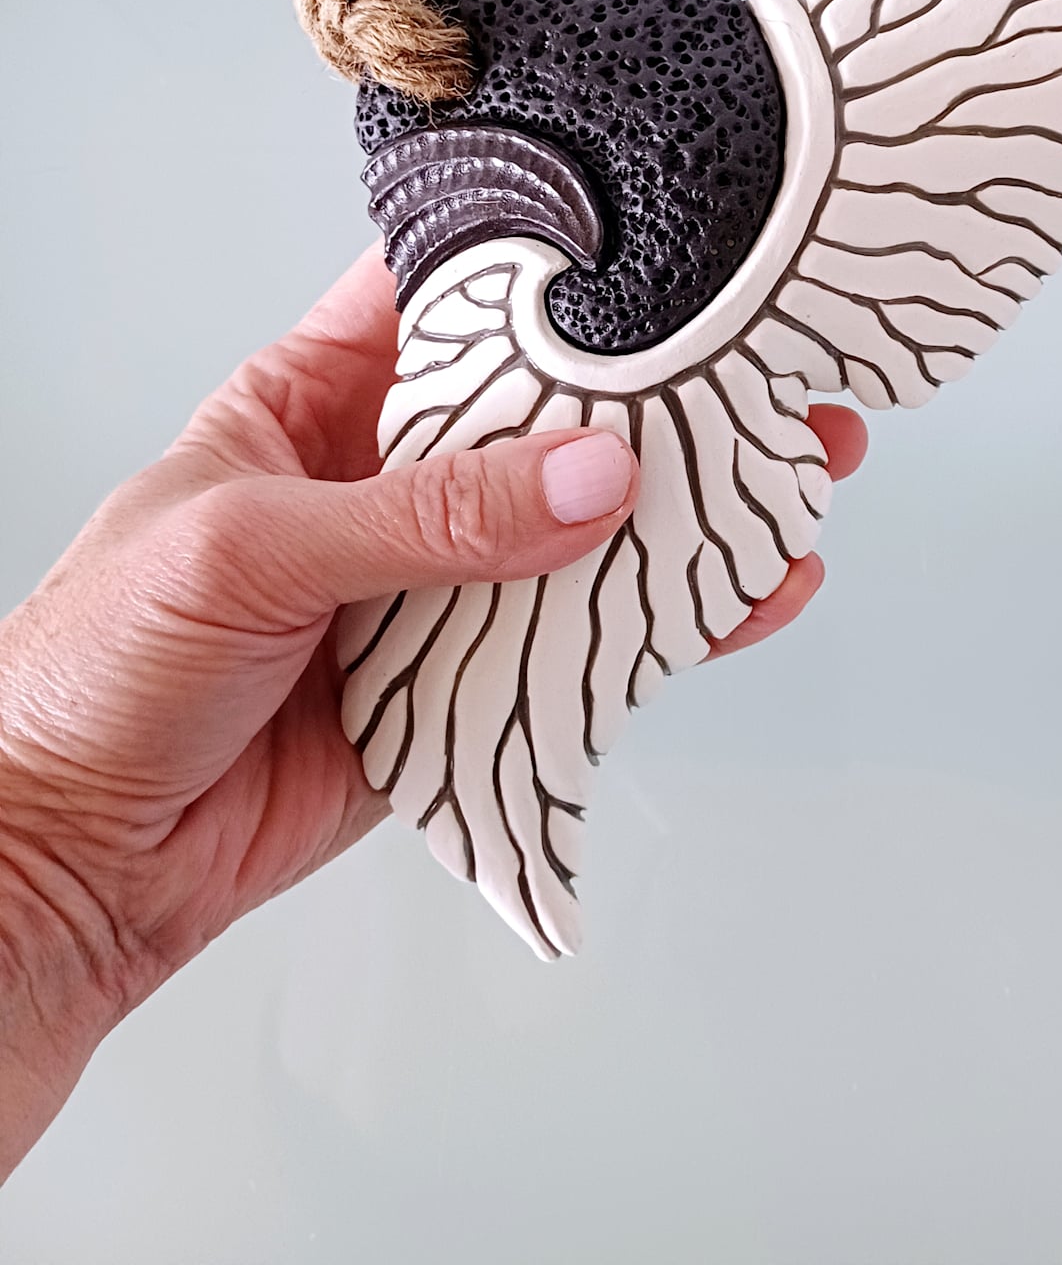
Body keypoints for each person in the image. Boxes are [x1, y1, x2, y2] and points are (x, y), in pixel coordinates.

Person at [0, 249, 867, 1180]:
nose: (402, 949)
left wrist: (53, 844)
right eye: (440, 997)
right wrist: (54, 869)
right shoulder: (751, 843)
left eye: (351, 1003)